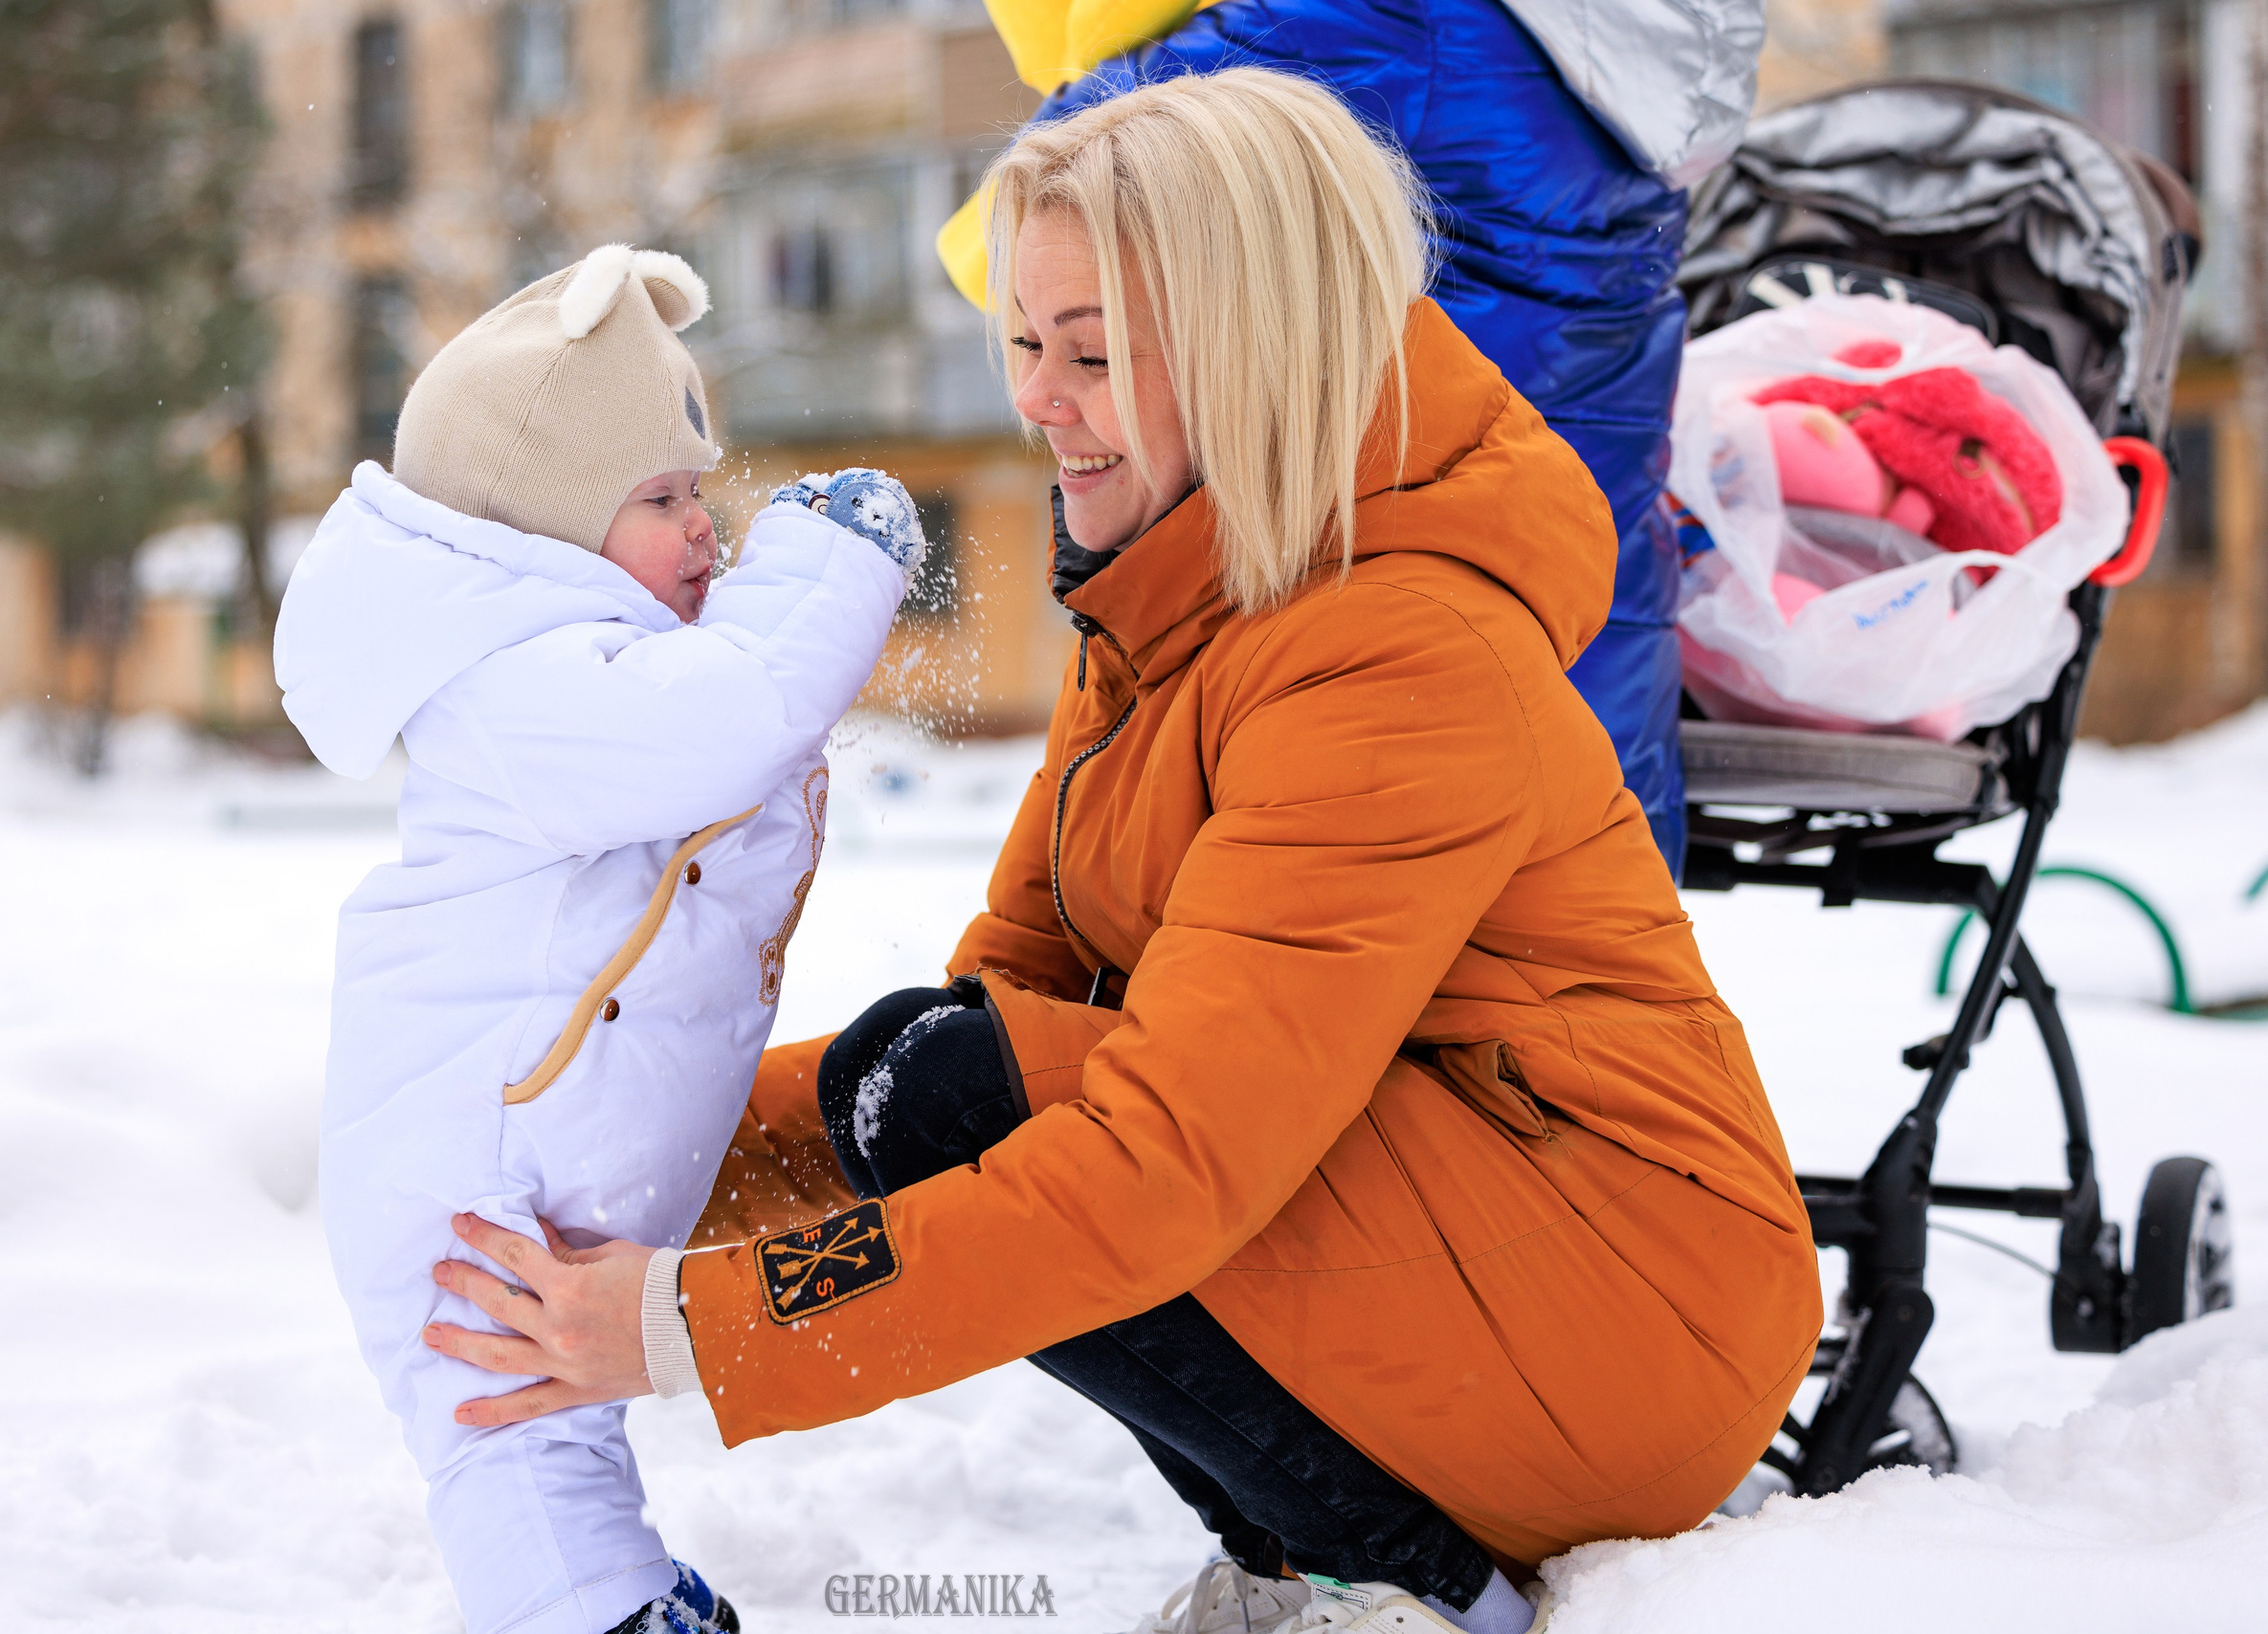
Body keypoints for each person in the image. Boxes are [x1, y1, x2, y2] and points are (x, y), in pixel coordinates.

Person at [423, 73, 1819, 1634]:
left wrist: (688, 1322)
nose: (1039, 399)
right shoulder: (1176, 594)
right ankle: (1311, 1559)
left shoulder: (1396, 654)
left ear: (1254, 352)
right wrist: (594, 1155)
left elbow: (1167, 1159)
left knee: (974, 1103)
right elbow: (999, 1010)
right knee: (934, 1069)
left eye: (1091, 352)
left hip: (1623, 1318)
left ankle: (1411, 1584)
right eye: (1027, 342)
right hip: (1465, 1239)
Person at [273, 246, 926, 1634]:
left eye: (704, 492)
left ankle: (610, 1597)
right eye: (661, 499)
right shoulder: (516, 693)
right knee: (505, 1428)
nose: (707, 528)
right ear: (549, 530)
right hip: (472, 1178)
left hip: (530, 1154)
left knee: (535, 1421)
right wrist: (828, 558)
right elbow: (733, 719)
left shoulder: (600, 681)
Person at [938, 0, 1771, 876]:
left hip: (1398, 612)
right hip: (1588, 608)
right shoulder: (1605, 62)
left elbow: (1032, 216)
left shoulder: (1377, 16)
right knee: (1582, 939)